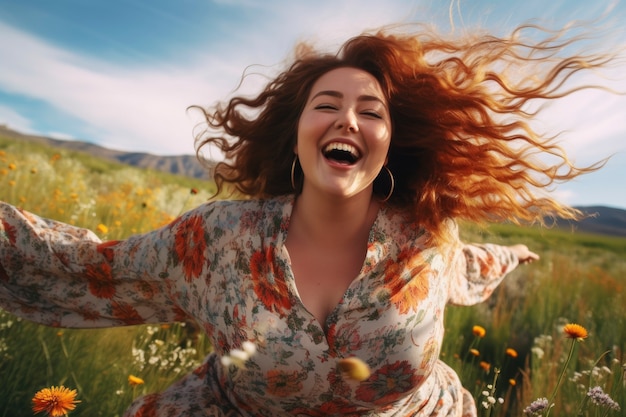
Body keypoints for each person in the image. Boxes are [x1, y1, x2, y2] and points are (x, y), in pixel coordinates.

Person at [0, 20, 618, 417]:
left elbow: (471, 265)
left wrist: (513, 257)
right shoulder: (220, 239)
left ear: (388, 142)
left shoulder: (428, 239)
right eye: (327, 105)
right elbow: (85, 269)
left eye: (369, 111)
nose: (348, 119)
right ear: (295, 136)